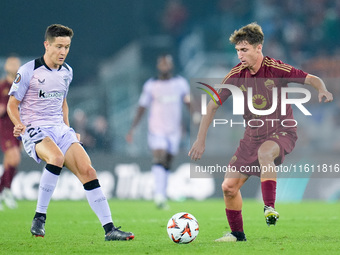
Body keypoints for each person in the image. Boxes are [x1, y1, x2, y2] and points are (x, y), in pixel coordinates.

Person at [188, 23, 333, 242]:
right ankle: (237, 234)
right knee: (228, 187)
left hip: (282, 131)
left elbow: (311, 78)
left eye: (244, 50)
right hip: (252, 137)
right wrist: (200, 140)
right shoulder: (235, 75)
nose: (240, 55)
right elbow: (211, 106)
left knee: (265, 154)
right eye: (237, 51)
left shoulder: (277, 69)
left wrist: (322, 89)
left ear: (258, 47)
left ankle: (269, 208)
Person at [6, 24, 134, 241]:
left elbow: (62, 102)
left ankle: (110, 230)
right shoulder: (28, 70)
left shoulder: (67, 72)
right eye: (59, 46)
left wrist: (68, 128)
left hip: (60, 128)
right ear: (47, 45)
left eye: (67, 47)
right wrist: (18, 124)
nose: (63, 52)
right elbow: (12, 104)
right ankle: (39, 218)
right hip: (35, 128)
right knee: (56, 157)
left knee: (89, 172)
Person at [126, 54, 190, 209]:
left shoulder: (180, 83)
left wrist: (195, 118)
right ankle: (159, 196)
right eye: (161, 64)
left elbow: (188, 102)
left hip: (173, 130)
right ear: (158, 66)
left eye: (167, 64)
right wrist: (133, 128)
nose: (164, 67)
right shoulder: (150, 85)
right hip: (156, 129)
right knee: (159, 156)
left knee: (167, 161)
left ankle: (163, 193)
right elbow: (142, 107)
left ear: (171, 66)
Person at [0, 56, 21, 210]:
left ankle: (3, 190)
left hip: (18, 126)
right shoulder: (3, 86)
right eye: (12, 63)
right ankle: (6, 190)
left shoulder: (20, 85)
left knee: (11, 162)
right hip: (5, 127)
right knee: (14, 158)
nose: (14, 66)